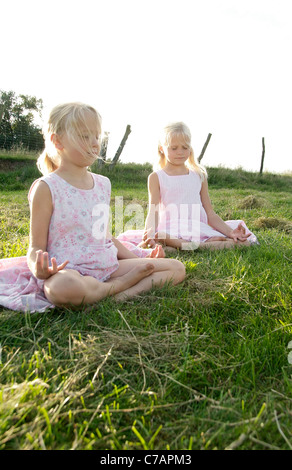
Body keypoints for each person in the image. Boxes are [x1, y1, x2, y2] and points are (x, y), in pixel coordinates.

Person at [0, 104, 185, 313]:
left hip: (106, 265)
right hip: (69, 271)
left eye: (96, 136)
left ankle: (119, 296)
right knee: (60, 289)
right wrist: (38, 268)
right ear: (57, 141)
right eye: (84, 136)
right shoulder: (46, 187)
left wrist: (138, 257)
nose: (94, 144)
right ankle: (120, 286)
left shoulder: (103, 183)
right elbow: (35, 248)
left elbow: (104, 237)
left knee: (176, 268)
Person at [117, 122, 258, 251]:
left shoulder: (199, 175)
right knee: (159, 241)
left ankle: (186, 246)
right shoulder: (156, 177)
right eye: (174, 148)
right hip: (170, 228)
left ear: (190, 148)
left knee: (244, 242)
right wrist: (150, 233)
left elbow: (210, 213)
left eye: (185, 147)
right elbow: (153, 211)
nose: (180, 152)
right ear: (162, 149)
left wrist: (229, 232)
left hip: (196, 227)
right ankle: (190, 245)